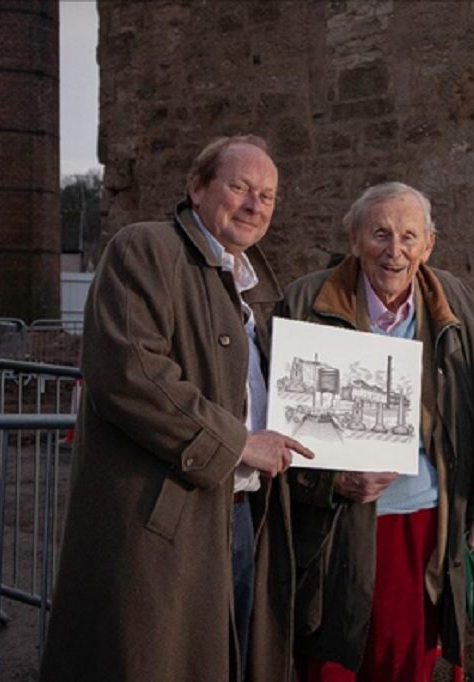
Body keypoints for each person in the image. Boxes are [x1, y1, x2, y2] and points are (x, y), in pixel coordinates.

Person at [40, 135, 313, 682]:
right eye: (238, 187)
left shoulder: (256, 284)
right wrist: (239, 443)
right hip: (164, 519)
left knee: (224, 660)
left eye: (268, 195)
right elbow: (134, 376)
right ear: (197, 187)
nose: (255, 204)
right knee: (153, 660)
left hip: (238, 510)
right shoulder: (144, 249)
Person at [280, 182, 474, 681]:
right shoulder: (303, 301)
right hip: (333, 532)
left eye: (409, 236)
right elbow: (272, 430)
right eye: (380, 234)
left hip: (424, 526)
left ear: (429, 244)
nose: (395, 250)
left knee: (407, 669)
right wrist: (332, 483)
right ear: (355, 239)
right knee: (330, 666)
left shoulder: (456, 303)